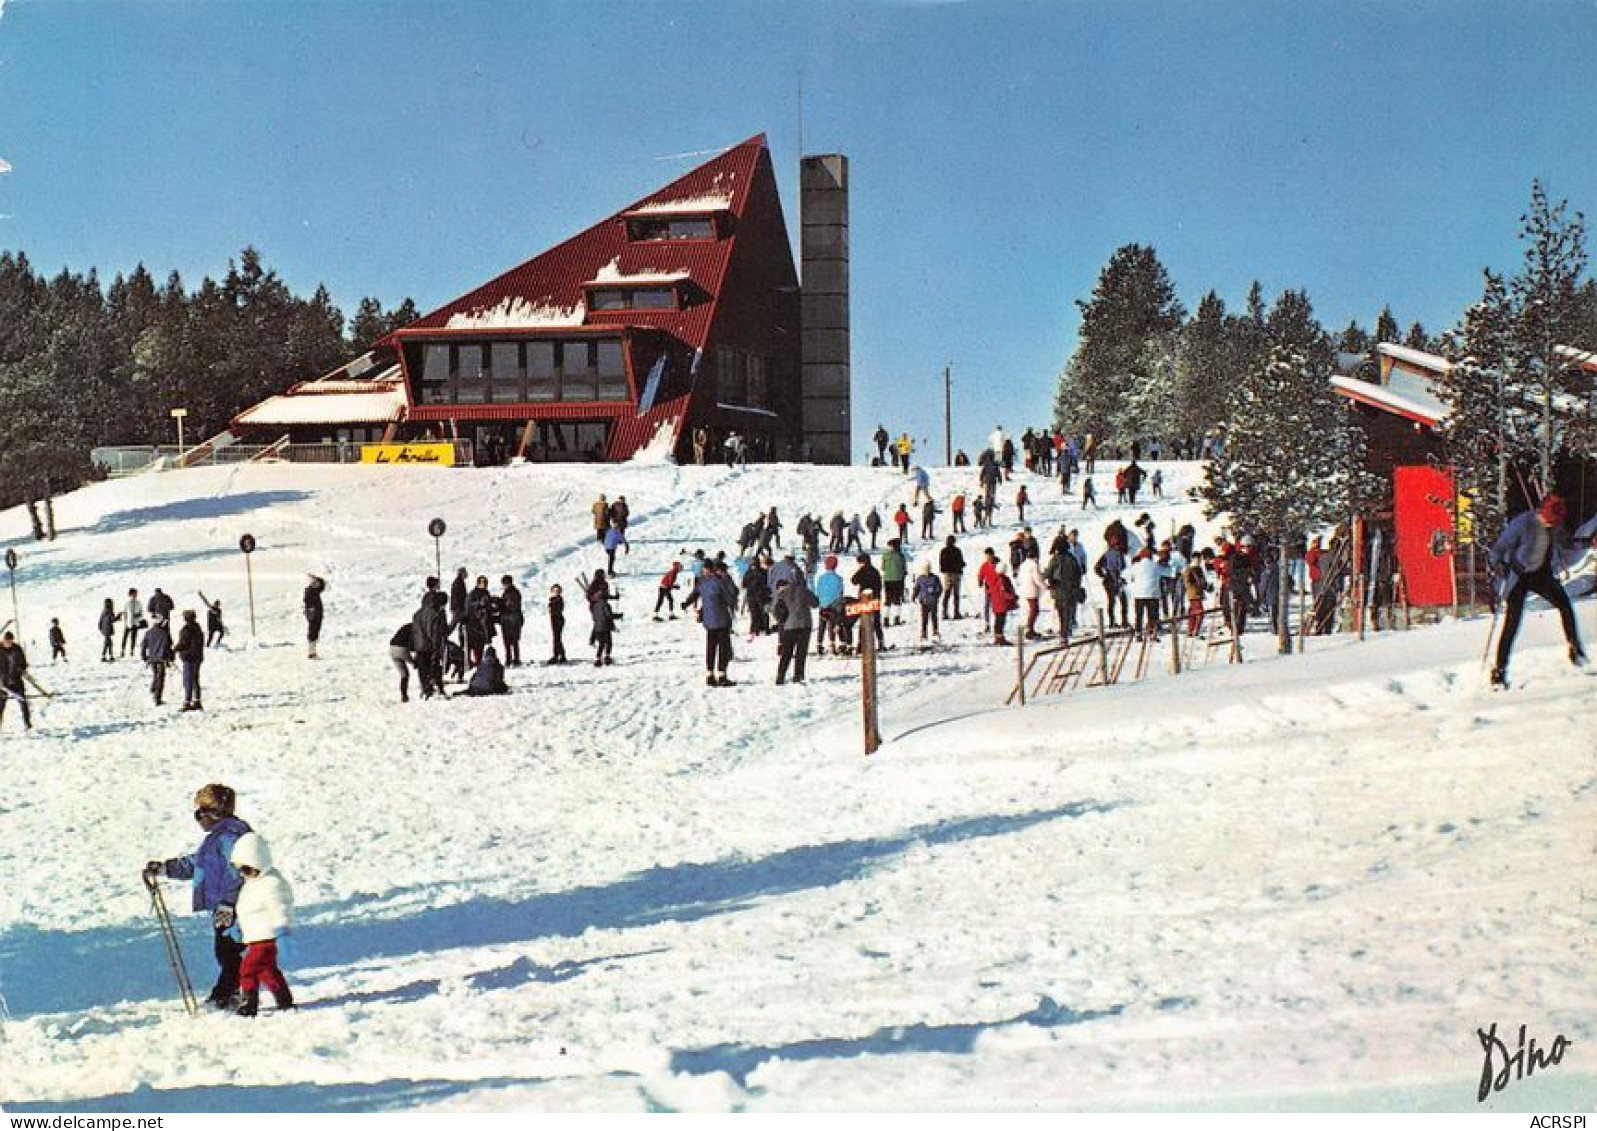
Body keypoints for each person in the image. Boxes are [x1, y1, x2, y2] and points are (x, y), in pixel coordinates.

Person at [144, 784, 252, 1009]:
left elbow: (237, 873)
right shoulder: (217, 838)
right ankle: (235, 992)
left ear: (213, 813)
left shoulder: (229, 838)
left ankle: (224, 996)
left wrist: (228, 903)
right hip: (223, 907)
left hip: (233, 907)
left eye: (198, 814)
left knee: (230, 952)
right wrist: (165, 868)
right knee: (225, 952)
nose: (198, 819)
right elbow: (197, 863)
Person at [1489, 495, 1586, 687]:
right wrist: (1496, 566)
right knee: (1512, 624)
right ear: (1543, 511)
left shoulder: (1553, 527)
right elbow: (1499, 547)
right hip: (1519, 576)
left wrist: (1586, 543)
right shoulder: (1523, 523)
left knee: (1565, 606)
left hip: (1541, 575)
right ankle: (1499, 672)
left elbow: (1566, 542)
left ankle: (1575, 649)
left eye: (1556, 522)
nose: (1552, 525)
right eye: (1551, 520)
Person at [228, 832, 295, 1016]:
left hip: (267, 938)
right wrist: (240, 927)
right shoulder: (253, 883)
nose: (244, 874)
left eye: (248, 869)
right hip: (256, 938)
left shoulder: (272, 884)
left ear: (260, 864)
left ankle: (249, 1003)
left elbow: (280, 907)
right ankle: (284, 999)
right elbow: (248, 909)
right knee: (267, 970)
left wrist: (282, 930)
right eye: (241, 870)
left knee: (247, 969)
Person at [771, 576, 819, 685]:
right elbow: (816, 603)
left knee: (786, 652)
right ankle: (798, 675)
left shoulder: (781, 594)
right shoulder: (803, 590)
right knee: (801, 652)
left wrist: (781, 621)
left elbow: (774, 610)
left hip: (789, 626)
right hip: (805, 624)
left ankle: (780, 675)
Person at [699, 561, 739, 686]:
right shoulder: (720, 582)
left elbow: (696, 594)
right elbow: (729, 599)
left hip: (709, 621)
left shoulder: (702, 582)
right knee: (723, 648)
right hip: (721, 620)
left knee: (710, 648)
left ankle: (709, 675)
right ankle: (722, 676)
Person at [411, 588, 448, 698]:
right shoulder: (434, 614)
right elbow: (433, 632)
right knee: (435, 667)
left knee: (422, 670)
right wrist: (437, 648)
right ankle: (438, 689)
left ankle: (425, 689)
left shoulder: (417, 613)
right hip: (429, 646)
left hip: (418, 645)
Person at [140, 614, 174, 706]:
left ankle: (153, 689)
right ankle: (157, 698)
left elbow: (143, 646)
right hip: (162, 658)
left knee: (155, 674)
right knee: (161, 677)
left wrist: (144, 657)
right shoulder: (164, 633)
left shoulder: (148, 632)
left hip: (152, 658)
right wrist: (171, 658)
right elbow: (169, 646)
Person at [176, 609, 206, 710]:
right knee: (195, 679)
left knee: (188, 680)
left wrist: (174, 649)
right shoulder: (198, 628)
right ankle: (197, 701)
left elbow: (183, 644)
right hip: (198, 657)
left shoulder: (186, 630)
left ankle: (187, 702)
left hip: (188, 658)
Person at [0, 631, 30, 731]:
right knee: (1, 705)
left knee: (23, 702)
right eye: (7, 641)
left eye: (11, 641)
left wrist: (21, 669)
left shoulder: (17, 649)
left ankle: (27, 723)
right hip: (2, 682)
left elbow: (24, 663)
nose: (9, 643)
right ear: (3, 640)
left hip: (16, 680)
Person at [984, 562, 1017, 646]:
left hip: (995, 602)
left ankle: (998, 637)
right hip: (1001, 603)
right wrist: (1012, 597)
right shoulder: (1002, 579)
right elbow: (1003, 591)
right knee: (1000, 621)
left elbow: (990, 590)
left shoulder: (993, 578)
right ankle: (1000, 638)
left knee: (998, 620)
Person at [1095, 544, 1128, 628]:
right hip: (1116, 580)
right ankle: (1123, 621)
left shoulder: (1106, 555)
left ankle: (1112, 622)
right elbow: (1123, 568)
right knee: (1122, 601)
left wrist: (1103, 575)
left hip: (1109, 580)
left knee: (1112, 602)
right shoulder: (1119, 555)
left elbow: (1097, 567)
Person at [1016, 549, 1045, 639]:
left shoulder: (1023, 564)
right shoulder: (1034, 565)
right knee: (1034, 610)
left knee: (1031, 610)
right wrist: (1045, 586)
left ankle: (1029, 628)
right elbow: (1037, 579)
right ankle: (1030, 630)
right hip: (1032, 589)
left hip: (1024, 589)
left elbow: (1019, 577)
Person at [912, 562, 943, 644]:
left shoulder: (931, 578)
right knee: (928, 618)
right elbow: (917, 588)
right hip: (927, 602)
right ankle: (928, 632)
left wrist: (936, 595)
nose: (926, 571)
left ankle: (930, 632)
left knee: (930, 618)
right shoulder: (924, 578)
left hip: (929, 601)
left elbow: (939, 588)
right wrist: (914, 596)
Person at [881, 539, 908, 627]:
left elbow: (883, 567)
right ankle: (897, 618)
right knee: (897, 599)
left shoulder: (885, 555)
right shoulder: (900, 556)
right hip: (898, 579)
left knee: (887, 599)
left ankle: (886, 619)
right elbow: (904, 569)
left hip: (887, 579)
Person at [498, 576, 524, 666]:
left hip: (510, 620)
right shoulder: (512, 592)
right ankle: (513, 659)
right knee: (512, 641)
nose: (504, 586)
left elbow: (510, 606)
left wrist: (500, 604)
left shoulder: (512, 593)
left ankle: (511, 659)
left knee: (510, 641)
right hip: (513, 619)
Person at [939, 536, 966, 619]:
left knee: (946, 593)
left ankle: (944, 613)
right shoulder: (957, 551)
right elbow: (961, 562)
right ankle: (956, 612)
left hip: (947, 575)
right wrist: (962, 565)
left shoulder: (943, 551)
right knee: (956, 594)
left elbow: (941, 563)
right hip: (956, 574)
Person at [589, 586, 616, 667]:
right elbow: (609, 615)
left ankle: (598, 658)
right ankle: (607, 657)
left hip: (597, 627)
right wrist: (618, 616)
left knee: (601, 643)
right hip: (606, 627)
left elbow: (594, 617)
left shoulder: (594, 606)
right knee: (609, 643)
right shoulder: (606, 605)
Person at [390, 621, 416, 702]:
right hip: (402, 648)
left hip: (392, 649)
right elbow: (414, 643)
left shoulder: (406, 626)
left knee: (404, 674)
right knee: (419, 665)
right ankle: (428, 686)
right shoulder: (416, 629)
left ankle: (404, 696)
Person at [303, 576, 325, 659]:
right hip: (313, 614)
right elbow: (307, 601)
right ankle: (311, 653)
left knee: (315, 633)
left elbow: (322, 586)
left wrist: (318, 579)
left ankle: (313, 652)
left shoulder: (315, 590)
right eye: (315, 583)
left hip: (317, 614)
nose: (317, 584)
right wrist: (311, 610)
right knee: (313, 633)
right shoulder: (310, 591)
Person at [546, 584, 569, 665]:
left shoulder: (558, 599)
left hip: (558, 619)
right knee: (556, 638)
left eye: (558, 591)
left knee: (557, 638)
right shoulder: (553, 599)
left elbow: (557, 609)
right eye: (555, 591)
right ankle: (560, 655)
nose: (556, 592)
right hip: (554, 619)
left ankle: (558, 655)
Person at [122, 587, 144, 657]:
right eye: (134, 593)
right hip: (128, 623)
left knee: (133, 637)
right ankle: (123, 650)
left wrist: (138, 616)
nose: (135, 595)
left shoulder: (138, 603)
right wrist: (125, 621)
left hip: (135, 623)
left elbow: (141, 612)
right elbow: (124, 612)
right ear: (130, 594)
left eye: (136, 594)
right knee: (125, 637)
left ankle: (132, 650)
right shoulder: (127, 603)